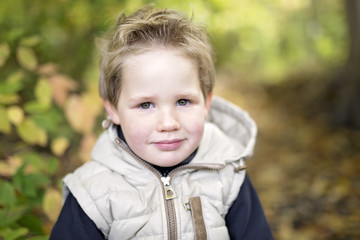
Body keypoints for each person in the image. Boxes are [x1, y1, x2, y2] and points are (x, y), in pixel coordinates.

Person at [50, 5, 273, 240]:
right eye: (146, 105)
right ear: (113, 109)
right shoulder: (92, 192)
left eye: (184, 101)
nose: (168, 123)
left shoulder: (227, 177)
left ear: (206, 102)